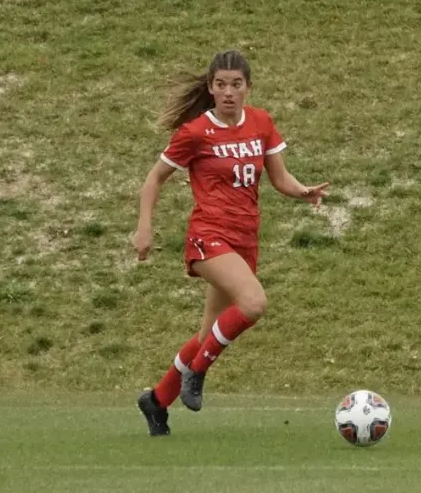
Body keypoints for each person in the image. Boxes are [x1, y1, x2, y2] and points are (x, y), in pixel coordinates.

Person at [132, 49, 329, 436]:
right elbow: (153, 180)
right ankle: (198, 374)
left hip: (244, 238)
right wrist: (144, 228)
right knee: (254, 303)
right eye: (220, 84)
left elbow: (279, 177)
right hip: (208, 235)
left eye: (236, 84)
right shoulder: (194, 133)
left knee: (207, 337)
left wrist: (302, 191)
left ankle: (155, 401)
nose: (228, 92)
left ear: (248, 88)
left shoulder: (260, 123)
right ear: (210, 88)